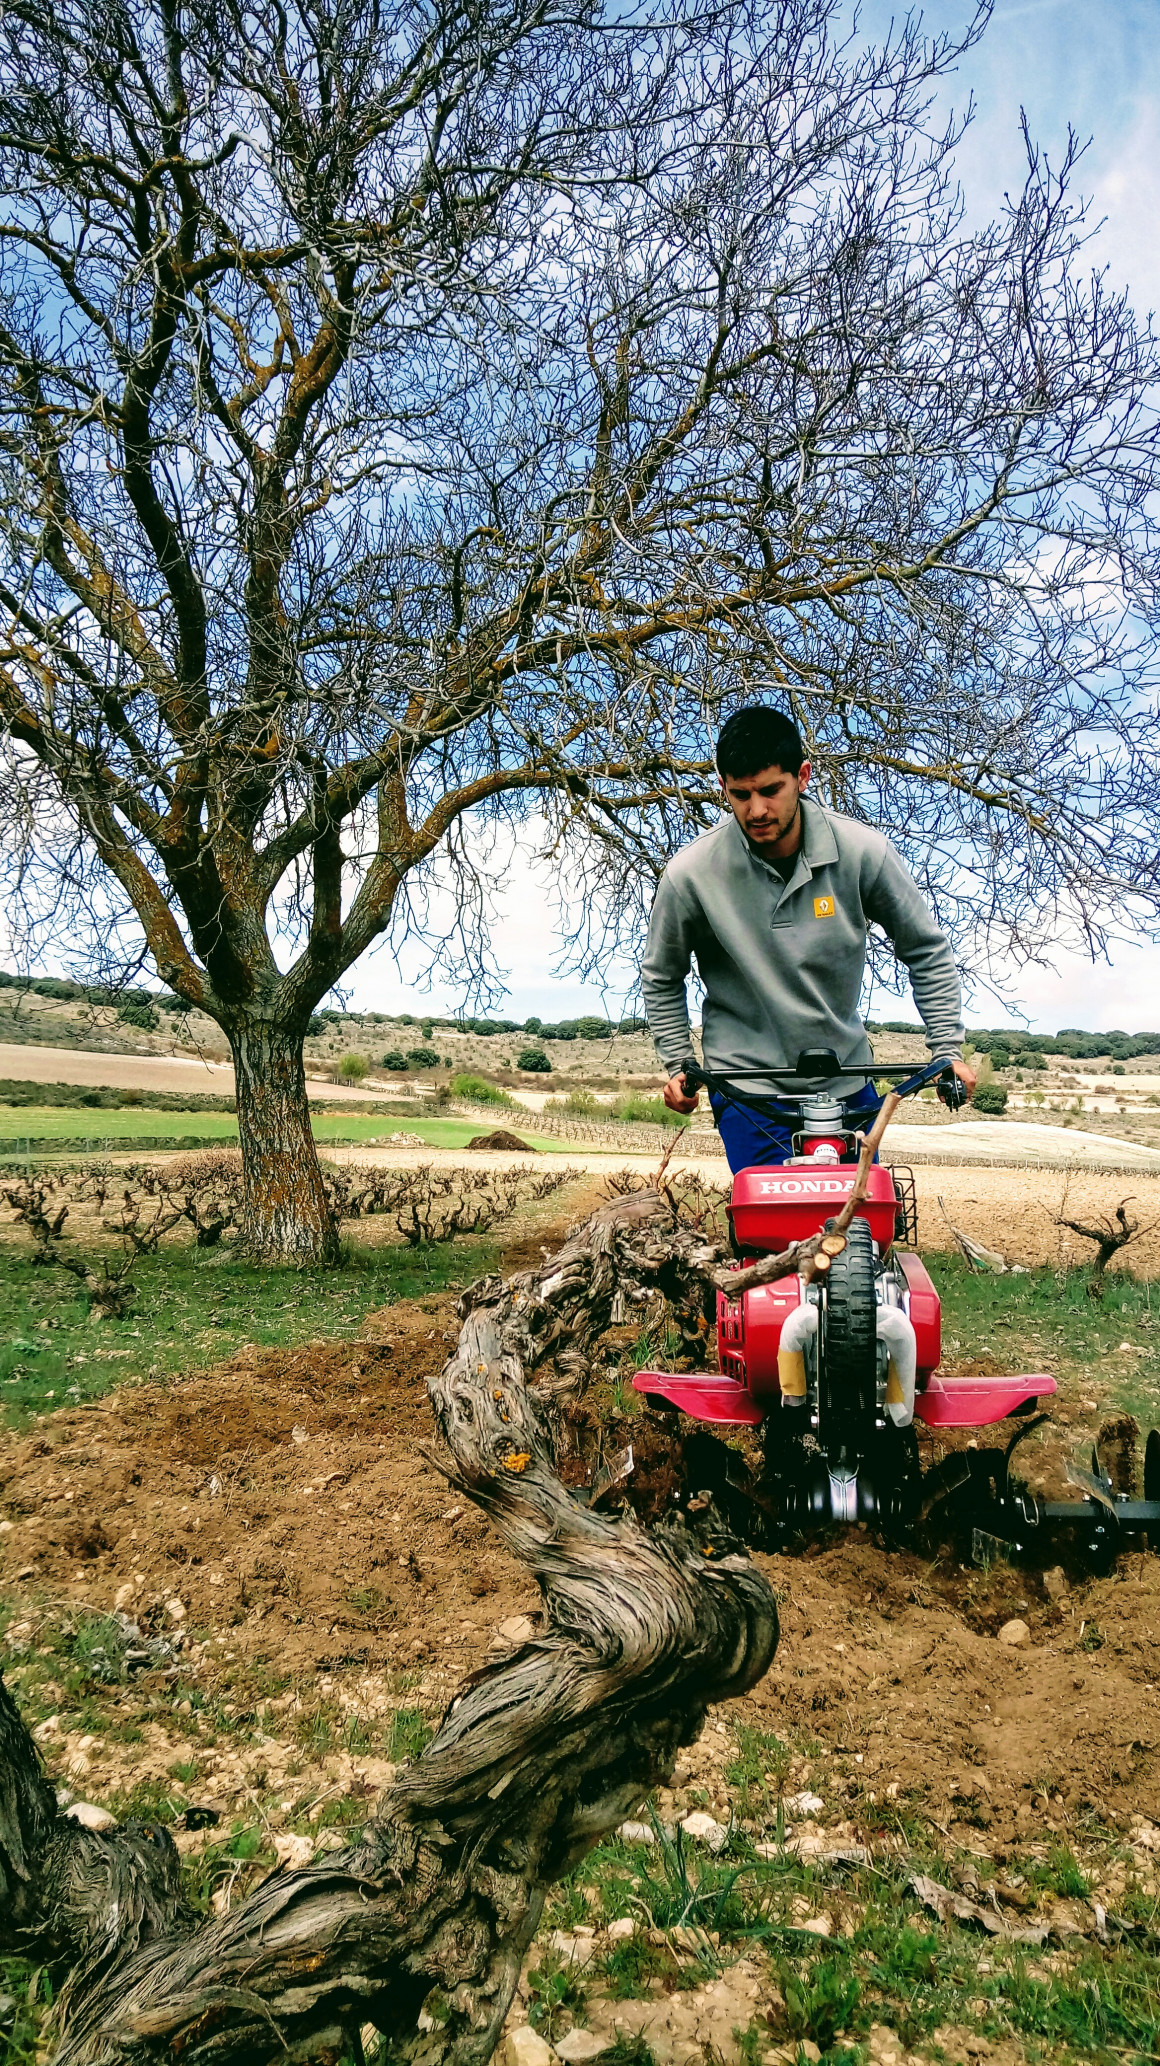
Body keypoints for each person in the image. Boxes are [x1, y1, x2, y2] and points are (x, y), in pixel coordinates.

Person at [641, 705, 976, 1170]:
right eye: (740, 795)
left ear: (802, 776)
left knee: (862, 1223)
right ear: (723, 788)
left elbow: (926, 949)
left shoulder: (863, 852)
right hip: (748, 1091)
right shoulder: (691, 875)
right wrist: (679, 1065)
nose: (756, 810)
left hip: (845, 1081)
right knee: (768, 1231)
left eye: (770, 790)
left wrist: (947, 1053)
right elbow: (661, 976)